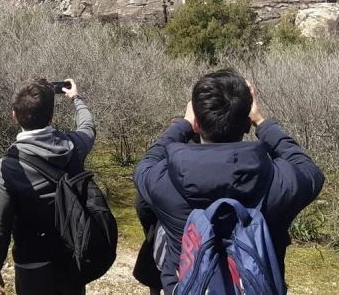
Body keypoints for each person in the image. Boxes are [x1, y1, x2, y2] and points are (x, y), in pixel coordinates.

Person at [133, 69, 325, 295]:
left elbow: (147, 163)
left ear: (197, 123)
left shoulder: (164, 182)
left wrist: (182, 125)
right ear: (247, 124)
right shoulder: (279, 181)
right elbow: (308, 169)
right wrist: (262, 122)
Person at [0, 79, 96, 295]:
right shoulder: (74, 146)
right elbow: (88, 126)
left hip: (32, 264)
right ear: (51, 115)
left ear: (14, 115)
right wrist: (76, 98)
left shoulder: (7, 168)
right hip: (73, 256)